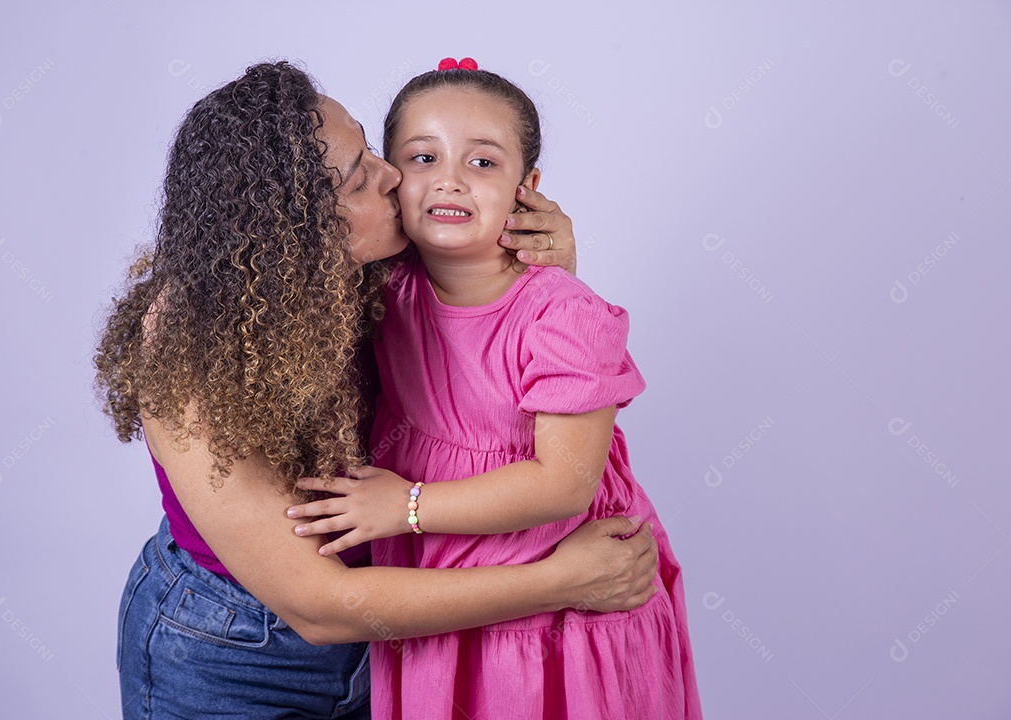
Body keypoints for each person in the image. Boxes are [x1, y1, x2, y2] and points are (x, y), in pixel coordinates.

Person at [95, 61, 659, 720]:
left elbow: (500, 348)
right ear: (298, 229)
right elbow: (318, 606)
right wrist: (559, 582)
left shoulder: (380, 266)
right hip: (236, 651)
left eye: (369, 146)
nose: (392, 173)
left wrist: (546, 264)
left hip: (405, 635)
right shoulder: (191, 345)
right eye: (362, 175)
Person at [287, 59, 701, 719]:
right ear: (389, 180)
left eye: (483, 164)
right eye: (423, 157)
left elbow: (562, 483)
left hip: (562, 615)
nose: (449, 179)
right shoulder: (382, 289)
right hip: (439, 602)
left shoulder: (566, 315)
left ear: (526, 187)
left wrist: (406, 508)